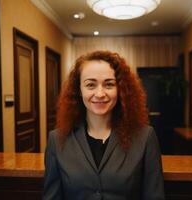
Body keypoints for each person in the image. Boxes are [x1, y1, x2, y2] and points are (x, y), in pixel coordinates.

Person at [44, 50, 165, 200]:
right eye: (90, 85)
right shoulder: (57, 140)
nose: (100, 93)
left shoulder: (145, 137)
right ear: (79, 90)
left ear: (120, 90)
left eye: (109, 84)